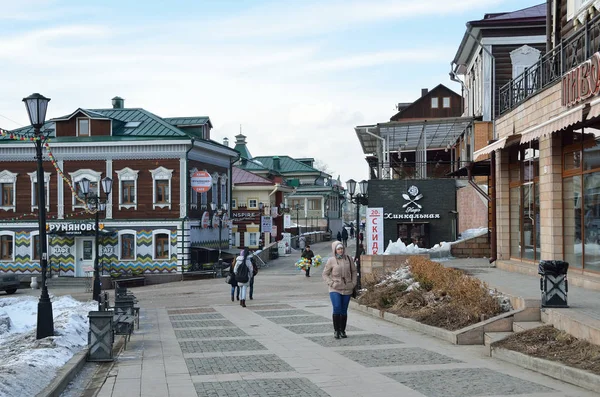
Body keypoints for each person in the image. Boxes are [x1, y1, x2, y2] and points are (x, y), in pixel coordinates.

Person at [322, 241, 356, 339]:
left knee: (344, 310)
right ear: (335, 250)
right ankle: (336, 330)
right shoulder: (331, 260)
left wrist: (353, 283)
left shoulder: (349, 259)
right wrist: (331, 283)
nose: (340, 250)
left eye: (341, 248)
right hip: (335, 288)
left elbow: (354, 271)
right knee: (337, 307)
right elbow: (325, 274)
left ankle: (342, 330)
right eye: (338, 249)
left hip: (347, 288)